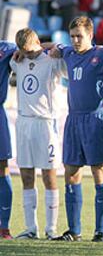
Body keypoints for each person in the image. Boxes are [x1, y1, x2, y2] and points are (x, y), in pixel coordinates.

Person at [51, 16, 103, 242]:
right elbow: (52, 46)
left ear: (91, 35)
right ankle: (74, 230)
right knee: (71, 171)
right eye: (72, 36)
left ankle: (100, 230)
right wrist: (28, 50)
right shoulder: (68, 52)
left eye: (80, 36)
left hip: (96, 119)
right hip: (73, 119)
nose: (76, 40)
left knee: (99, 171)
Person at [10, 28, 65, 240]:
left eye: (31, 51)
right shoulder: (18, 60)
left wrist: (53, 47)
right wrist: (20, 53)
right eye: (24, 52)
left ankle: (51, 230)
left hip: (45, 123)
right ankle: (31, 228)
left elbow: (67, 53)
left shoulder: (52, 60)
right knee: (26, 175)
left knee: (49, 175)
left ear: (38, 43)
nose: (29, 55)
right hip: (24, 122)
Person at [0, 41, 17, 240]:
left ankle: (4, 227)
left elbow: (33, 45)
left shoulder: (5, 49)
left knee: (2, 167)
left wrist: (23, 50)